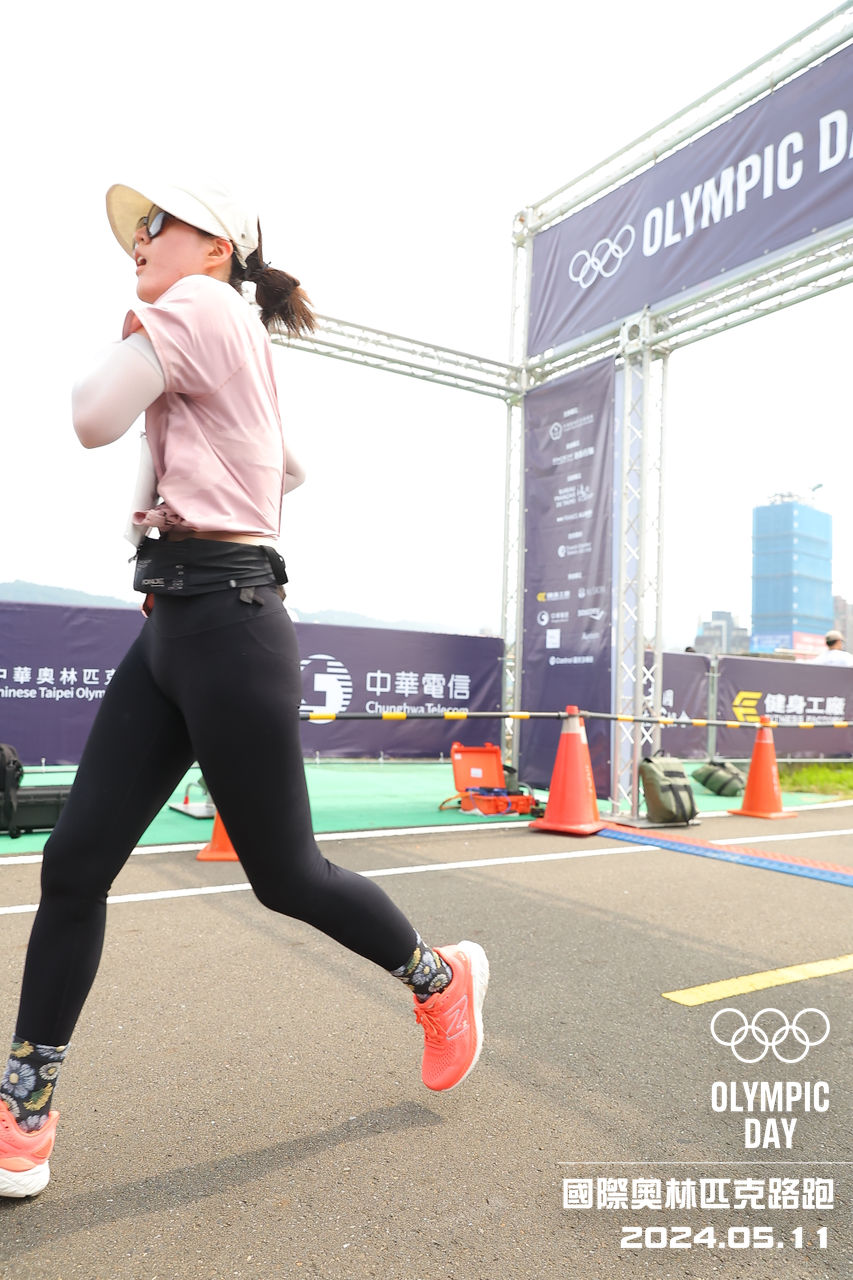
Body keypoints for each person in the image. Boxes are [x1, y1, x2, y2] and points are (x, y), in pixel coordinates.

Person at [0, 180, 489, 1199]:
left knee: (286, 876)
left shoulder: (201, 306)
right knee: (75, 861)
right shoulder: (227, 330)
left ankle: (440, 979)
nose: (137, 242)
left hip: (228, 623)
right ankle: (25, 1106)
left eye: (156, 225)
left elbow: (88, 416)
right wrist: (182, 497)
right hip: (176, 622)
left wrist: (140, 350)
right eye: (136, 231)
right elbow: (288, 469)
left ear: (216, 247)